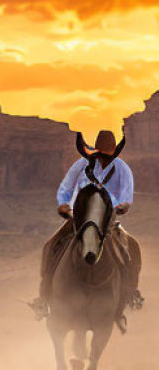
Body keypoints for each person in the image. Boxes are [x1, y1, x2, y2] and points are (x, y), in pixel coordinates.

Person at [30, 129, 143, 330]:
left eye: (107, 154)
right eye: (102, 153)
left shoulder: (122, 169)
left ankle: (129, 294)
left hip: (108, 219)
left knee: (131, 248)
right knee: (50, 246)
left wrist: (123, 206)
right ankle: (44, 297)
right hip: (78, 218)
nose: (103, 158)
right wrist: (64, 204)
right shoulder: (81, 165)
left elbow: (126, 195)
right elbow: (66, 188)